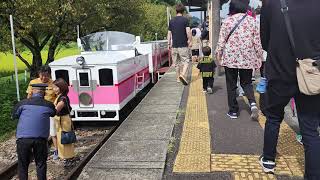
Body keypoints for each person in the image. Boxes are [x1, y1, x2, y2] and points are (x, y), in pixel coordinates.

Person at [259, 0, 320, 178]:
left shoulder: (271, 4)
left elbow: (265, 42)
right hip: (310, 75)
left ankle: (269, 159)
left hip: (279, 72)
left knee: (273, 118)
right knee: (309, 129)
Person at [215, 0, 263, 120]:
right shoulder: (252, 21)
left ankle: (233, 111)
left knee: (231, 84)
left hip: (230, 58)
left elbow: (221, 41)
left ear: (232, 8)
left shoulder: (227, 21)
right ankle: (252, 104)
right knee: (246, 83)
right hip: (247, 58)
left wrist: (218, 55)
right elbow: (257, 42)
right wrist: (259, 57)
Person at [13, 83, 56, 180]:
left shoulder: (22, 103)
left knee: (23, 164)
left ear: (32, 91)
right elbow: (53, 113)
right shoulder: (49, 105)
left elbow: (14, 116)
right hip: (40, 140)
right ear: (44, 93)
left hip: (23, 139)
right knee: (40, 164)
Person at [27, 65, 58, 160]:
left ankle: (56, 150)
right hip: (36, 112)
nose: (44, 78)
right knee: (38, 131)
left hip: (50, 111)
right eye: (42, 75)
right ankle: (40, 150)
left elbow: (58, 96)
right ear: (39, 74)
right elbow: (29, 96)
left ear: (50, 75)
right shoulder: (33, 82)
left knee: (53, 132)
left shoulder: (53, 83)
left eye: (46, 75)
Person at [52, 78, 75, 167]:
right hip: (60, 120)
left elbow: (56, 109)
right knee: (62, 138)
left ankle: (68, 157)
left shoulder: (63, 98)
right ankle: (65, 156)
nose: (54, 89)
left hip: (64, 120)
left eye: (55, 87)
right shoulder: (60, 96)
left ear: (60, 87)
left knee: (65, 138)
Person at [167, 3, 191, 86]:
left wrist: (168, 43)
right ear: (183, 11)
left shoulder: (171, 21)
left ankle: (177, 78)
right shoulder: (185, 20)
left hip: (174, 46)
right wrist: (190, 40)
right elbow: (188, 32)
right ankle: (182, 74)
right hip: (183, 45)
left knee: (176, 63)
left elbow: (169, 33)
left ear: (176, 11)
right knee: (186, 61)